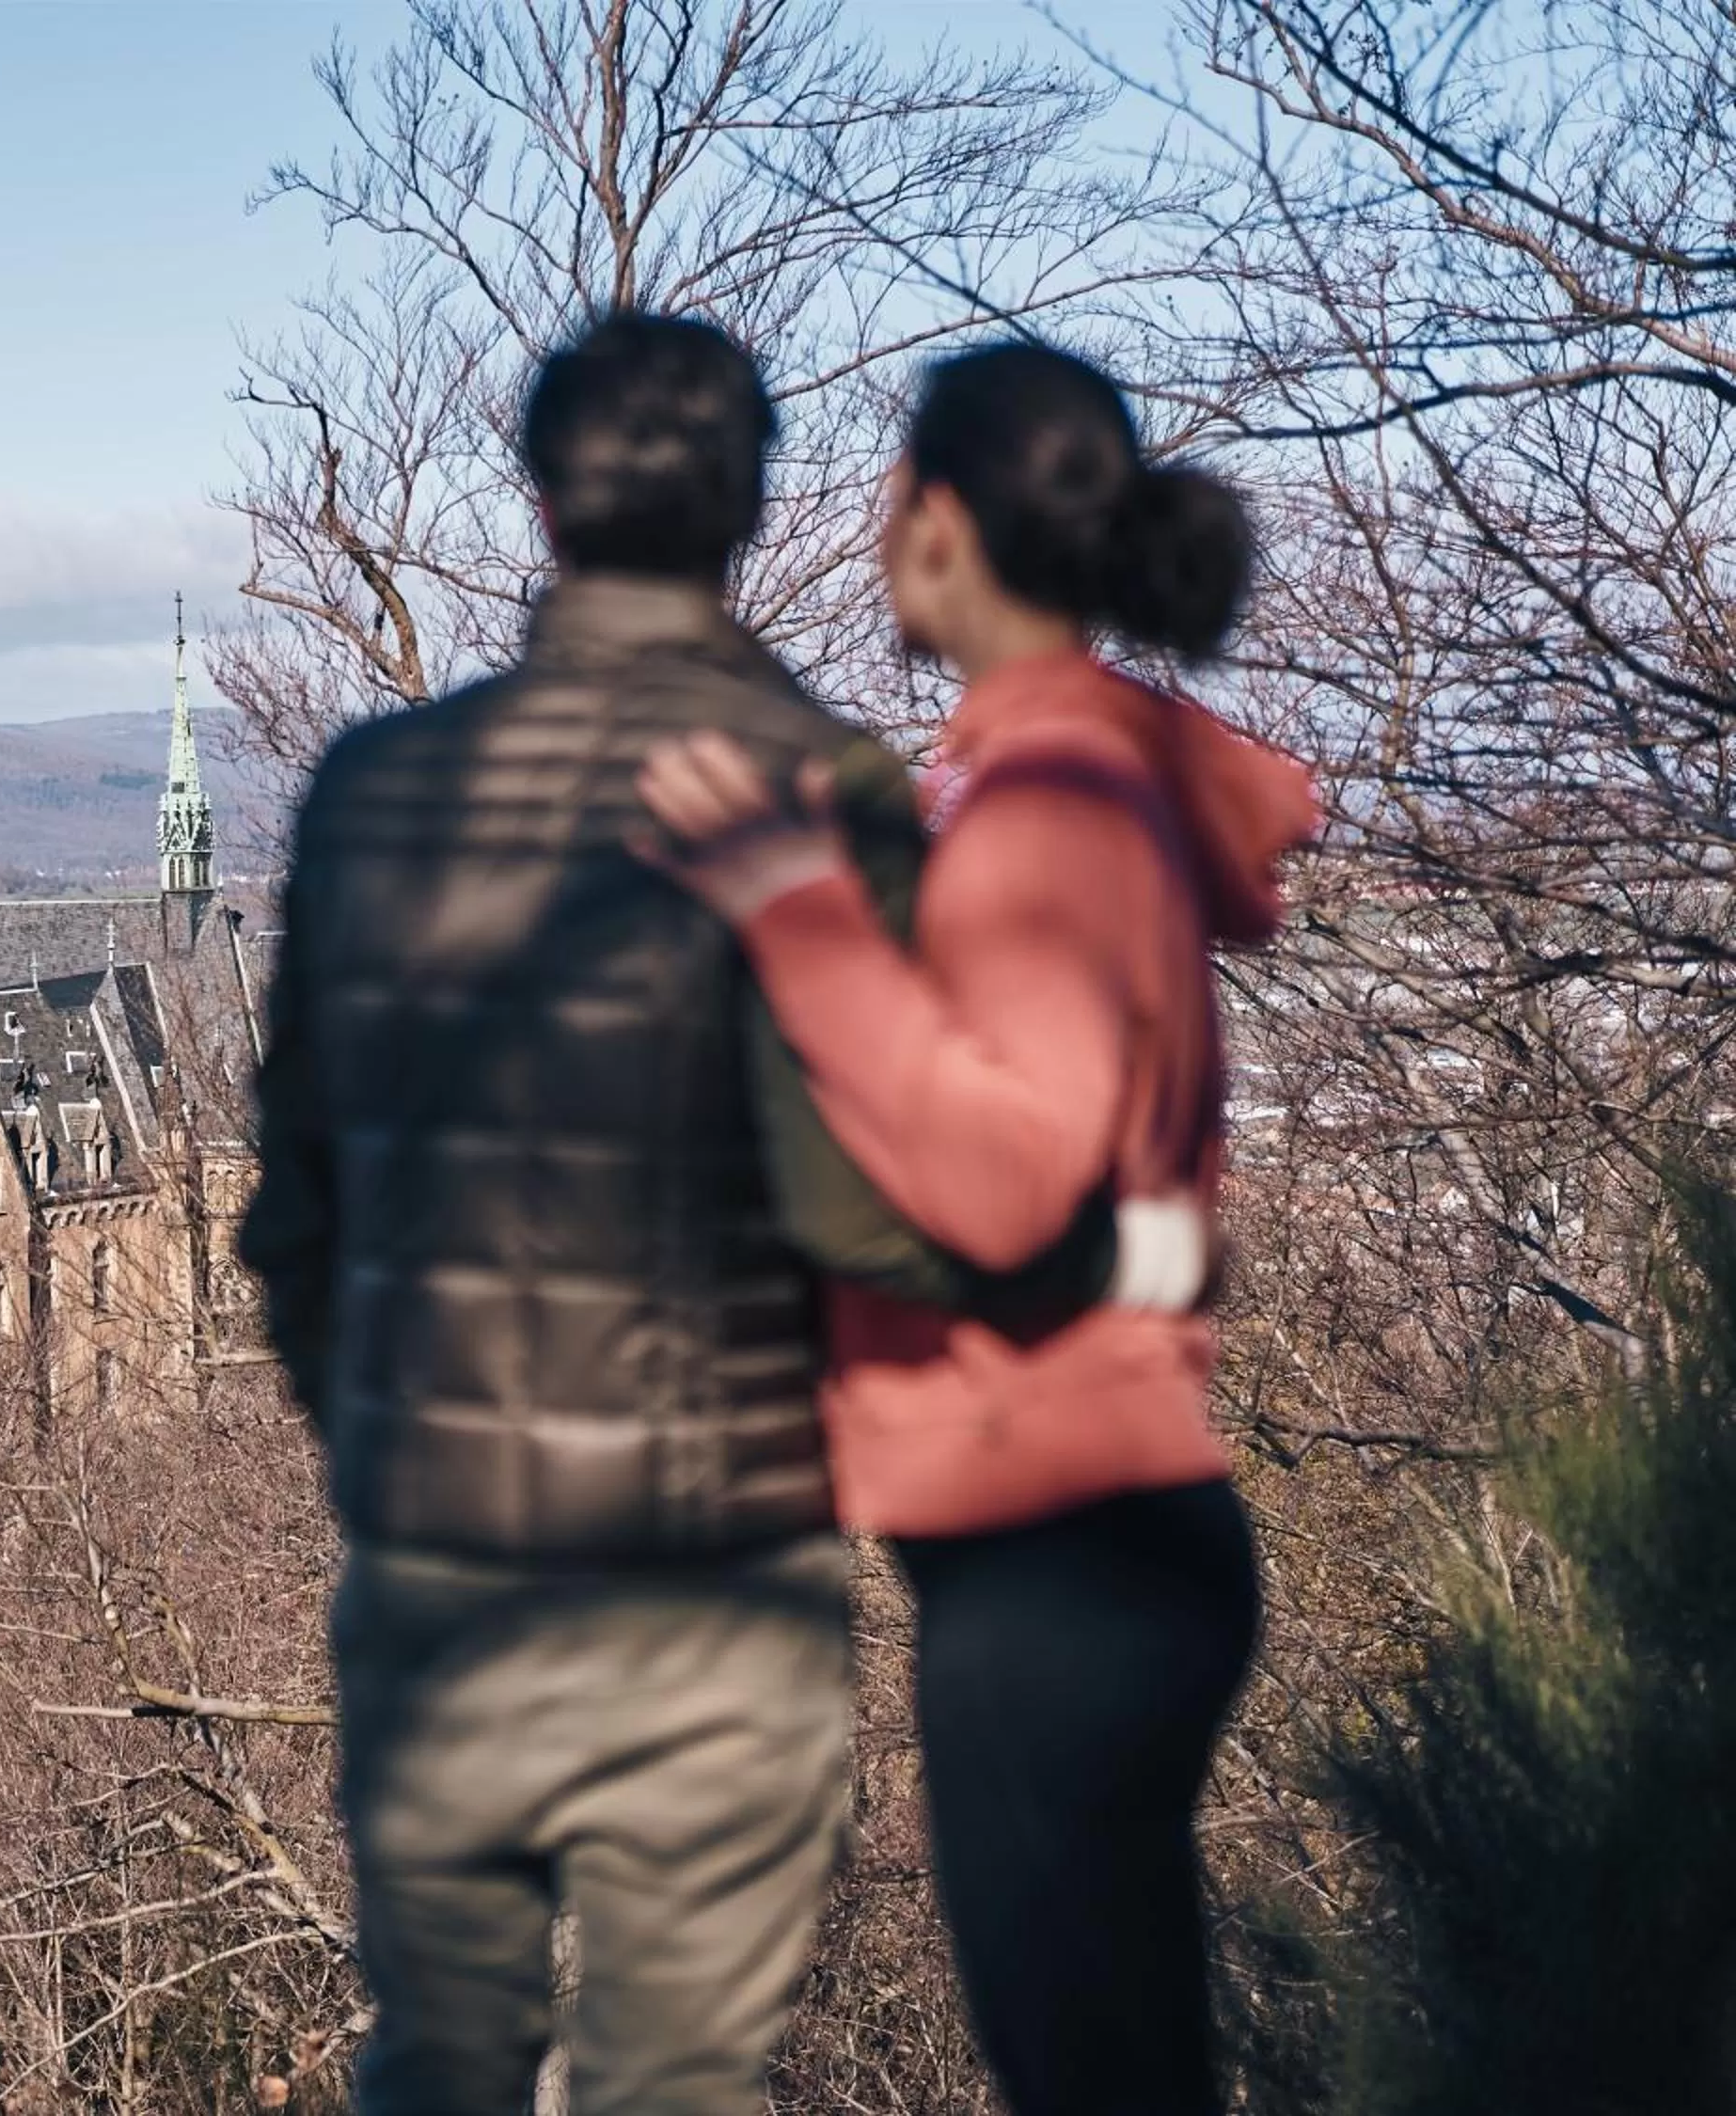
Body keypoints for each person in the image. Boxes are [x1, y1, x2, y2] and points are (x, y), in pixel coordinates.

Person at [239, 311, 933, 2114]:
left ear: (541, 505)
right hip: (715, 1575)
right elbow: (886, 1214)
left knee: (441, 2059)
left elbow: (293, 1217)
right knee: (679, 2083)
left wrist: (389, 1446)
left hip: (441, 1568)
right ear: (753, 507)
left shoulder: (378, 794)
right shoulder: (830, 791)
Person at [634, 339, 1319, 2116]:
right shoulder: (1074, 774)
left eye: (888, 498)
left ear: (938, 519)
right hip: (1097, 1540)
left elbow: (1008, 1178)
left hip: (1056, 1551)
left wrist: (798, 911)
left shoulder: (1045, 813)